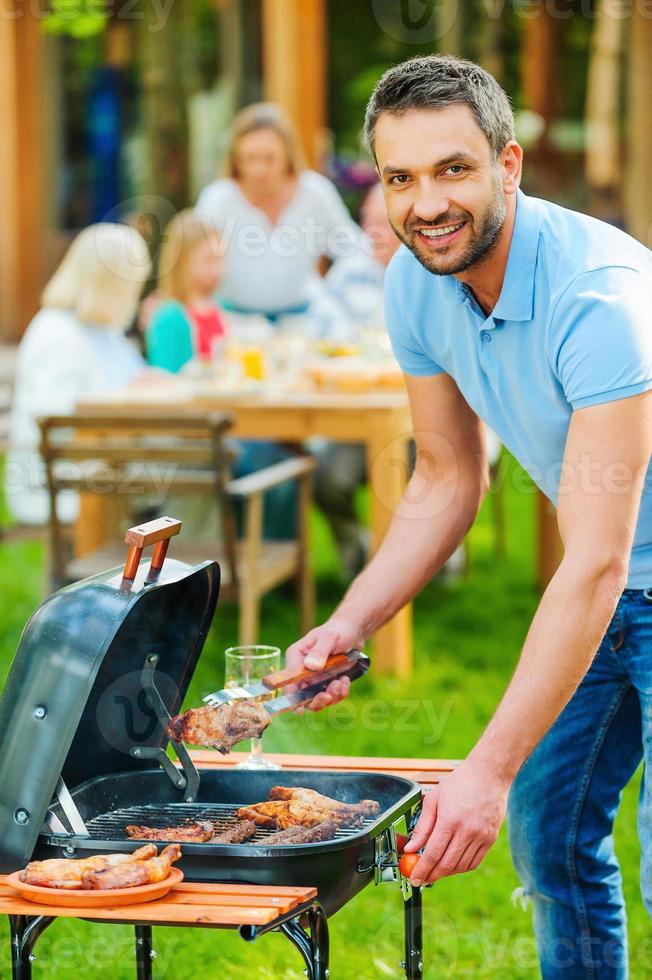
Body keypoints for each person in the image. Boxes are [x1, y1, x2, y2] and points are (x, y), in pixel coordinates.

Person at [286, 55, 652, 979]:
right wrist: (349, 621)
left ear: (509, 165)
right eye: (400, 178)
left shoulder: (601, 302)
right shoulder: (416, 285)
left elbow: (598, 565)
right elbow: (448, 476)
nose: (426, 204)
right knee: (549, 828)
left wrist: (479, 770)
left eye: (453, 169)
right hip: (607, 582)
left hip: (609, 572)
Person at [5, 223, 151, 525]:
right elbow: (56, 422)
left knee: (196, 472)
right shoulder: (58, 334)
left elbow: (134, 378)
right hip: (59, 481)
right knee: (191, 480)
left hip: (106, 466)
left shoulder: (104, 330)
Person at [195, 101, 361, 327]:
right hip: (234, 324)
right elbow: (193, 261)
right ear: (236, 159)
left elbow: (353, 251)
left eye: (269, 158)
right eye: (249, 158)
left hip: (304, 324)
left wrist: (341, 293)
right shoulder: (218, 199)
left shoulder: (315, 193)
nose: (259, 170)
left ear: (287, 155)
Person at [145, 209, 227, 373]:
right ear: (183, 262)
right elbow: (166, 380)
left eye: (220, 259)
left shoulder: (218, 307)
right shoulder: (170, 317)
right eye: (208, 260)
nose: (217, 269)